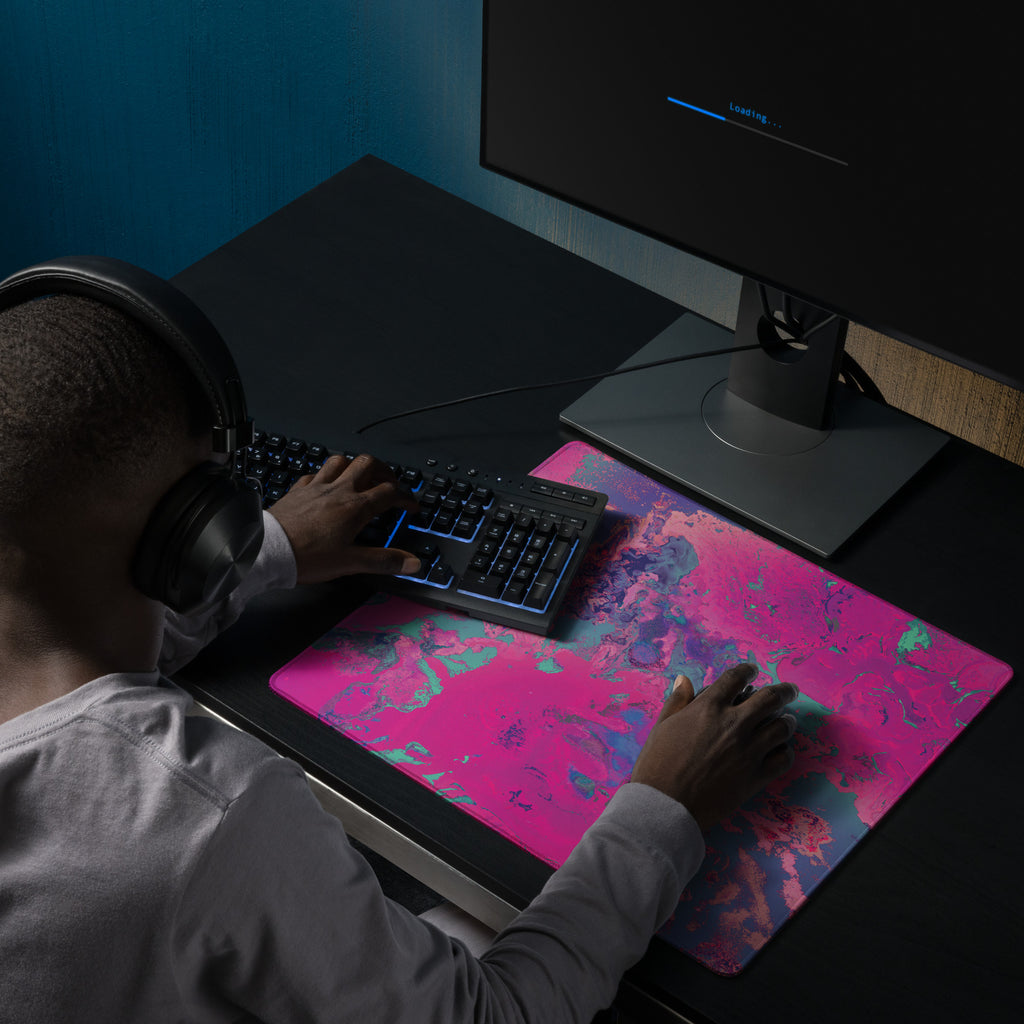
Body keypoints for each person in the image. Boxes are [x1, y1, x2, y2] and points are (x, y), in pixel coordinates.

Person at [0, 291, 799, 1023]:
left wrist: (271, 550)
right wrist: (666, 805)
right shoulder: (204, 814)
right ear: (196, 537)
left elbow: (78, 628)